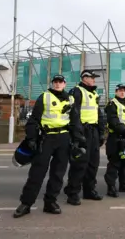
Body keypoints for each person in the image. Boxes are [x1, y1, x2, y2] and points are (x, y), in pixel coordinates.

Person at [13, 74, 85, 218]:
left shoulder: (70, 99)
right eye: (55, 82)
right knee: (37, 172)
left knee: (58, 173)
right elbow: (34, 119)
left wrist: (77, 139)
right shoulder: (44, 97)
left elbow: (75, 120)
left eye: (60, 82)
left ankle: (50, 202)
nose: (58, 84)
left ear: (65, 84)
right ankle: (26, 203)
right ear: (52, 83)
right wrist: (32, 138)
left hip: (64, 138)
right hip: (46, 138)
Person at [63, 70, 106, 205]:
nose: (94, 80)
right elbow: (73, 114)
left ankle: (89, 190)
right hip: (82, 131)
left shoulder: (93, 93)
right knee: (80, 163)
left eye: (94, 77)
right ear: (84, 78)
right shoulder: (77, 91)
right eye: (92, 77)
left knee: (93, 163)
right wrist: (77, 134)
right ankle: (73, 193)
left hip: (93, 131)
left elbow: (98, 114)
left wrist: (101, 132)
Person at [104, 84, 125, 197]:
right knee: (114, 162)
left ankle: (124, 184)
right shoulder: (112, 104)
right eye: (120, 90)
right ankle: (111, 187)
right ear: (116, 91)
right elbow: (113, 120)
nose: (122, 92)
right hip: (115, 137)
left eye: (124, 91)